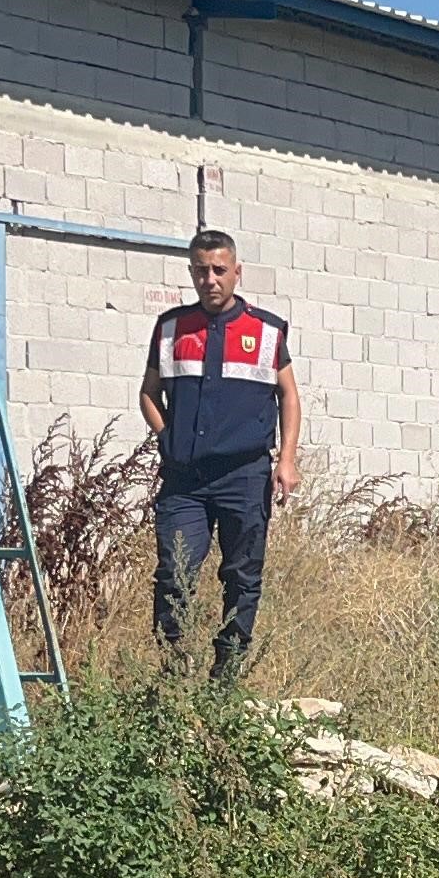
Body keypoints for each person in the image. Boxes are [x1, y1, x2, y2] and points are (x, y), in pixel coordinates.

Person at [139, 228, 300, 680]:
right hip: (185, 480)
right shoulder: (171, 328)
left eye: (219, 270)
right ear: (191, 272)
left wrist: (286, 460)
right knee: (175, 572)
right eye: (200, 270)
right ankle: (174, 673)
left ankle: (224, 678)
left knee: (242, 577)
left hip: (244, 476)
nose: (209, 279)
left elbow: (289, 396)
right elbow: (149, 393)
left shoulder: (266, 331)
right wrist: (166, 436)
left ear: (236, 272)